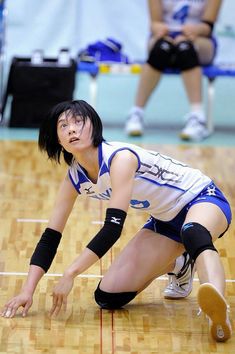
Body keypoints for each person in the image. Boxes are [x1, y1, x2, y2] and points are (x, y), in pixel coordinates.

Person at [1, 100, 232, 342]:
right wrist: (27, 291)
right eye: (63, 126)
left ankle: (218, 310)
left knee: (193, 232)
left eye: (79, 122)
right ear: (57, 139)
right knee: (108, 297)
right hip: (165, 222)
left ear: (95, 127)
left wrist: (70, 273)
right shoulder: (74, 179)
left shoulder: (120, 158)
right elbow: (50, 237)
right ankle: (180, 265)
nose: (71, 129)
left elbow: (113, 229)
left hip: (203, 198)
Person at [125, 0, 222, 140]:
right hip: (166, 37)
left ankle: (197, 118)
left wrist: (194, 31)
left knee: (185, 49)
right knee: (160, 49)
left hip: (199, 39)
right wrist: (161, 29)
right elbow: (154, 23)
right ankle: (136, 113)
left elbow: (208, 26)